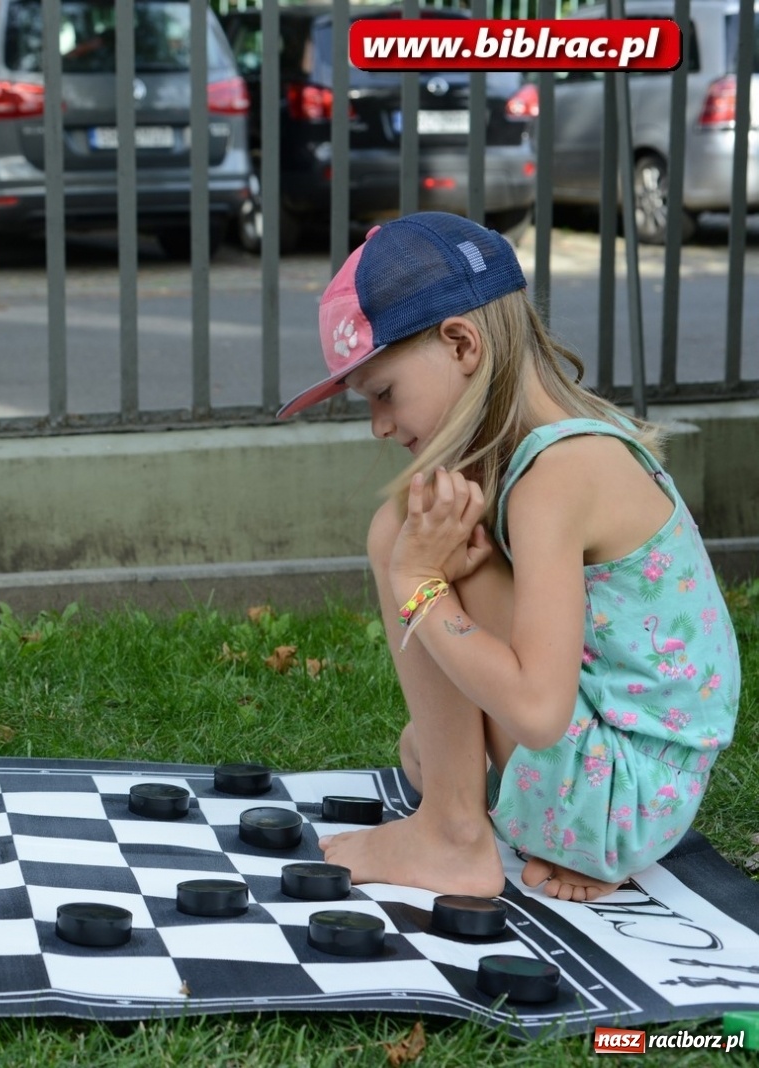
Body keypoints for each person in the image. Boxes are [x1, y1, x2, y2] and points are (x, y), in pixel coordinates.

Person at [277, 212, 740, 903]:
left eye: (382, 392)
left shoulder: (556, 477)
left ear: (460, 342)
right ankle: (462, 814)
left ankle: (453, 837)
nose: (377, 423)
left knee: (401, 532)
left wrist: (417, 583)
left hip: (620, 800)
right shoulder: (557, 452)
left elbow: (535, 713)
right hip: (631, 792)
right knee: (426, 727)